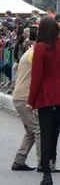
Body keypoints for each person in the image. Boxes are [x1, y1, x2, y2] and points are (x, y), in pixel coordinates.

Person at [28, 17, 60, 185]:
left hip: (46, 97)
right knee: (55, 133)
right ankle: (54, 161)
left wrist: (30, 101)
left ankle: (46, 174)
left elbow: (37, 77)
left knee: (45, 134)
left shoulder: (40, 48)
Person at [11, 25, 43, 171]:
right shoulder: (35, 53)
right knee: (38, 130)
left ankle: (19, 160)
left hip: (19, 96)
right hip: (24, 97)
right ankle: (43, 162)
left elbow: (15, 68)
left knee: (31, 130)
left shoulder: (30, 51)